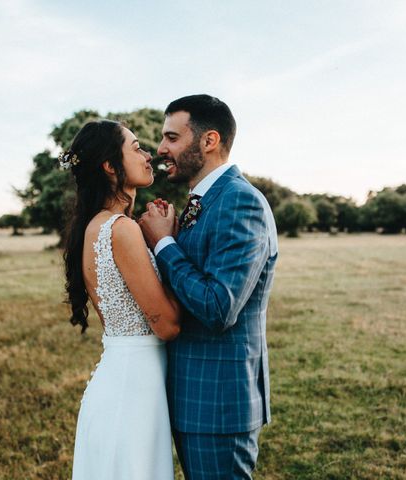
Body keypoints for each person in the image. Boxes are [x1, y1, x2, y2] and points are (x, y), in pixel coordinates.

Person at [139, 94, 278, 479]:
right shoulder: (204, 201)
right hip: (192, 397)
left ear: (208, 141)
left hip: (217, 402)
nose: (161, 149)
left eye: (171, 137)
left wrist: (164, 244)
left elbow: (219, 307)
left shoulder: (239, 201)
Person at [62, 120, 181, 479]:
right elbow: (168, 326)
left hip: (121, 380)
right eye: (136, 147)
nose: (148, 155)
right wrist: (166, 243)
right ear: (110, 166)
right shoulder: (121, 229)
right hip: (134, 390)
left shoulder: (95, 225)